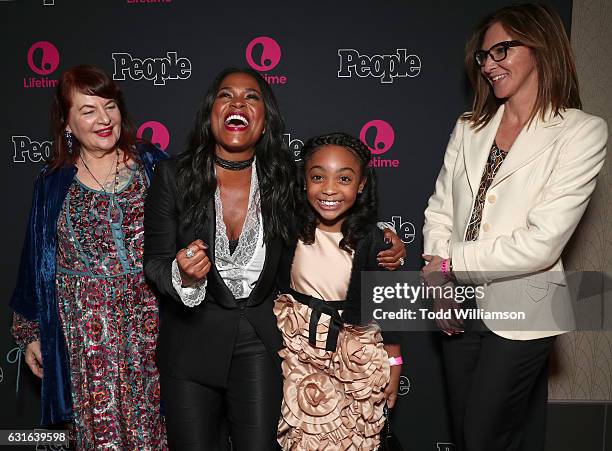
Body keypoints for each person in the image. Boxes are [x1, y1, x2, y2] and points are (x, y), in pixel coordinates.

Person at [143, 67, 406, 451]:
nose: (238, 103)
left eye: (251, 97)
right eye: (226, 95)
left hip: (262, 346)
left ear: (265, 121)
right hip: (190, 347)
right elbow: (154, 261)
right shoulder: (173, 175)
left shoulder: (285, 176)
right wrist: (181, 272)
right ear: (209, 113)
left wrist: (385, 239)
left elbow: (334, 208)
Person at [421, 4, 607, 451]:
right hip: (458, 304)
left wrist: (448, 265)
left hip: (527, 309)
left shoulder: (581, 132)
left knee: (487, 435)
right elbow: (441, 208)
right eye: (484, 56)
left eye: (502, 49)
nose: (489, 65)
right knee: (469, 434)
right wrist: (436, 274)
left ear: (540, 46)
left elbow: (541, 244)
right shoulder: (469, 127)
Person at [10, 65, 168, 449]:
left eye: (109, 106)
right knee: (100, 432)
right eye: (88, 110)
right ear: (67, 122)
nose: (103, 118)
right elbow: (37, 259)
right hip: (86, 333)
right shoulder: (52, 182)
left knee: (157, 427)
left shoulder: (154, 164)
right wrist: (31, 333)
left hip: (151, 324)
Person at [274, 132, 402, 450]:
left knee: (353, 438)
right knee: (303, 438)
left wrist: (395, 366)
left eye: (344, 178)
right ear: (304, 181)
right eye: (318, 177)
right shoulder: (287, 231)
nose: (330, 189)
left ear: (360, 186)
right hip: (300, 356)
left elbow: (391, 310)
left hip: (355, 361)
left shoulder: (374, 241)